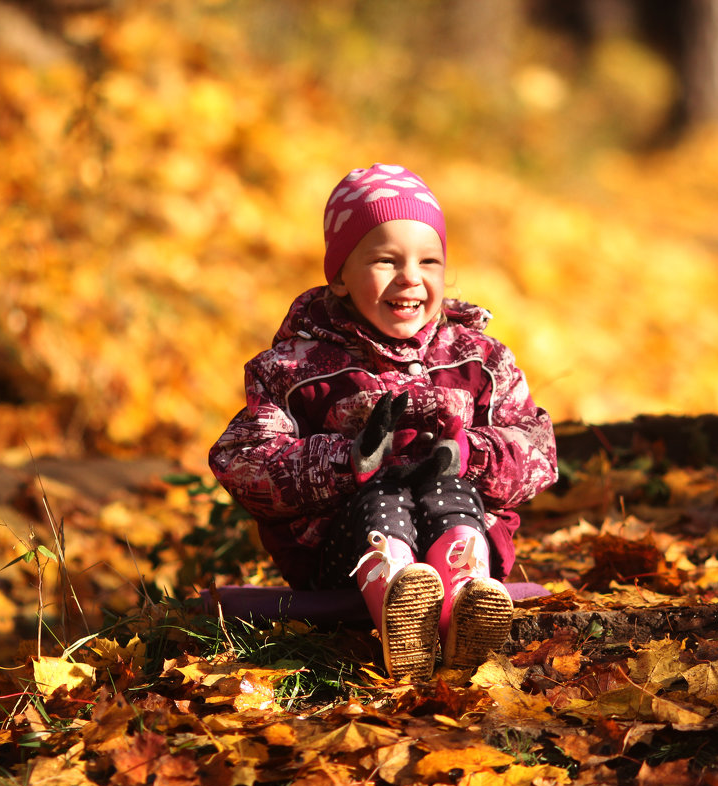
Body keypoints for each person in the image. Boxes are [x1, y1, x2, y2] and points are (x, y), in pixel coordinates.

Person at [209, 163, 557, 680]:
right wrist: (346, 461)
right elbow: (242, 461)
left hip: (463, 521)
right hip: (342, 554)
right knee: (382, 495)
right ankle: (399, 605)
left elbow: (538, 451)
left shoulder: (479, 359)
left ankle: (464, 600)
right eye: (386, 260)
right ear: (340, 276)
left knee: (448, 487)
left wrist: (468, 454)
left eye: (429, 261)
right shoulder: (294, 369)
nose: (411, 278)